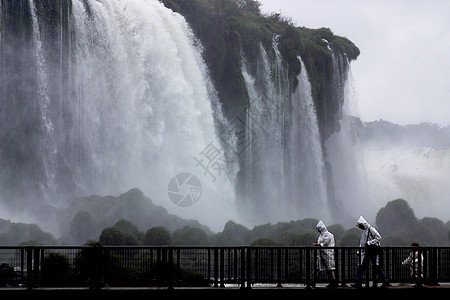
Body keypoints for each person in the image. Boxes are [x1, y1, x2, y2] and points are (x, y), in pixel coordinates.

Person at [353, 216, 390, 288]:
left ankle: (384, 281)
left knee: (375, 267)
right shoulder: (364, 231)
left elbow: (378, 237)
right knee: (362, 267)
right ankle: (358, 282)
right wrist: (360, 249)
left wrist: (369, 243)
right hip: (366, 251)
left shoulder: (371, 229)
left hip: (372, 251)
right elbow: (362, 242)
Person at [310, 220, 338, 288]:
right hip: (321, 254)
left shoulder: (328, 235)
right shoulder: (321, 235)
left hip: (328, 254)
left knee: (330, 269)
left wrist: (319, 245)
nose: (318, 231)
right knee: (318, 268)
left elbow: (325, 243)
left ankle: (333, 282)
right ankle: (313, 281)